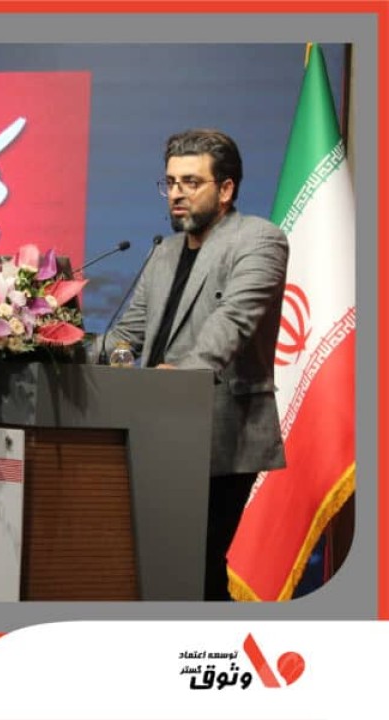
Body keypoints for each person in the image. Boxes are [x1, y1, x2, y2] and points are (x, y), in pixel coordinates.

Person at [101, 129, 288, 601]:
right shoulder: (164, 252)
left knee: (197, 568)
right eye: (170, 183)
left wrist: (181, 376)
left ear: (226, 189)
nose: (177, 194)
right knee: (158, 569)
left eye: (191, 182)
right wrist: (52, 343)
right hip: (153, 426)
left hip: (220, 431)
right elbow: (127, 336)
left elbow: (232, 323)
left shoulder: (259, 240)